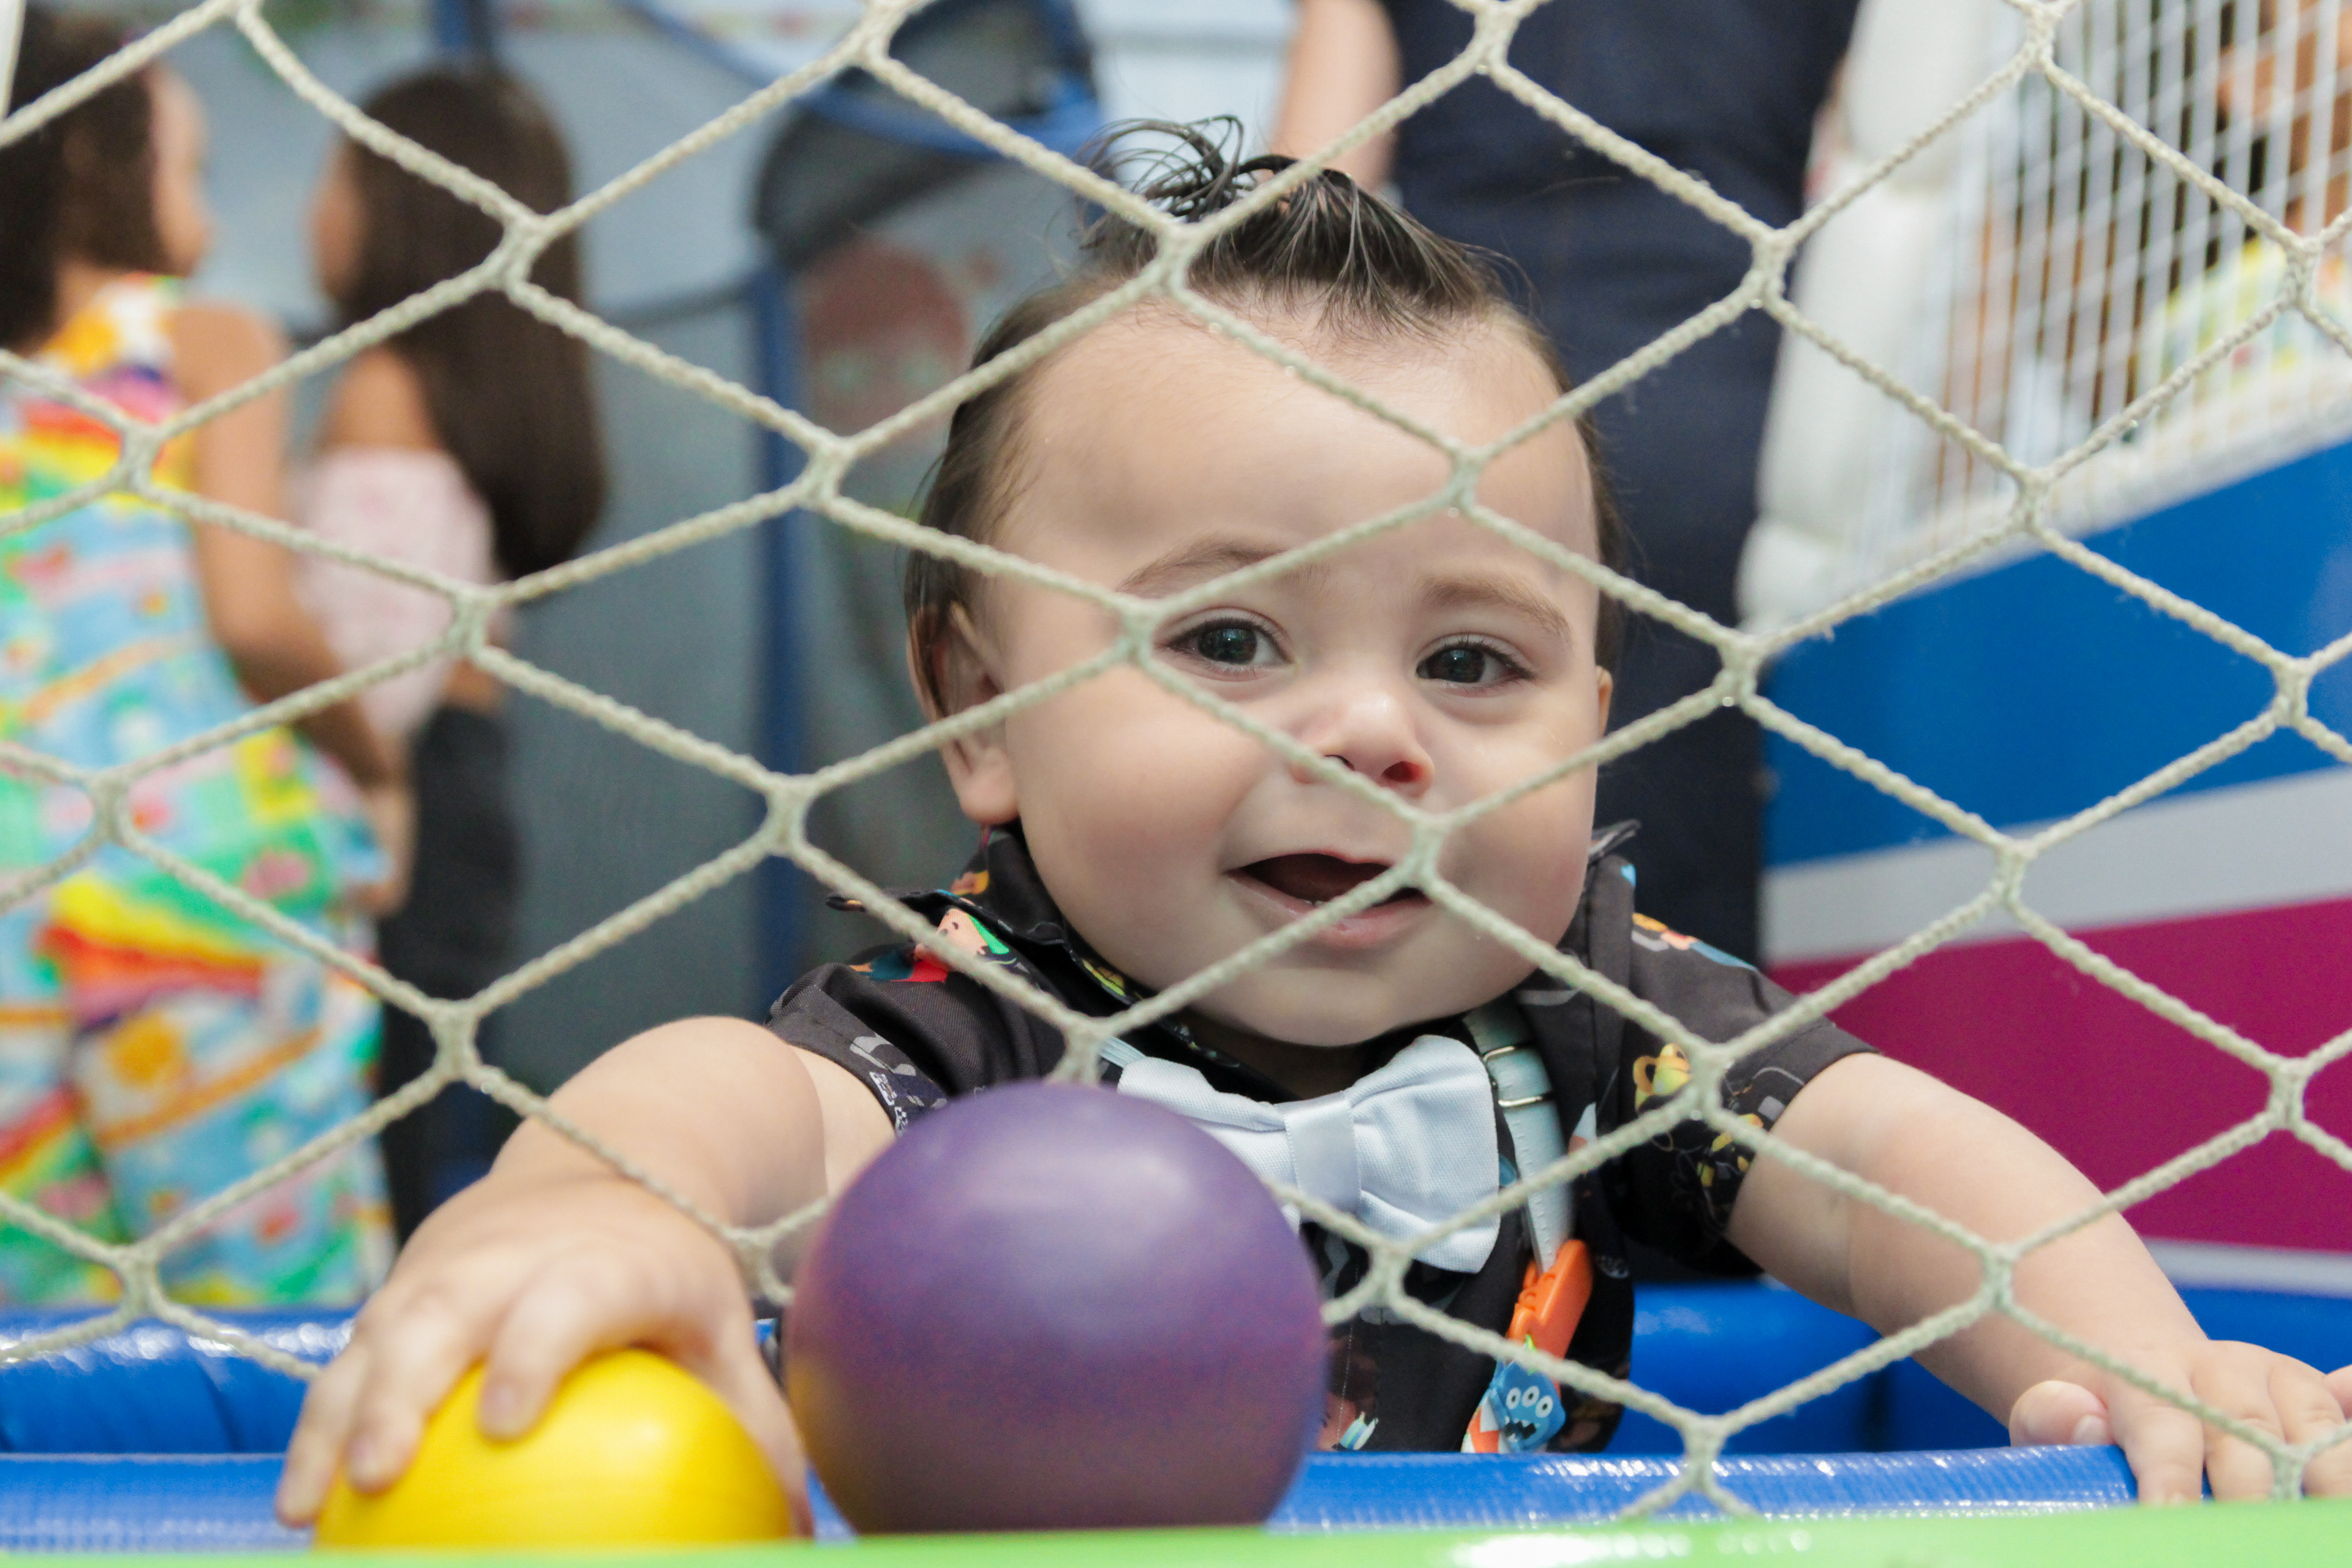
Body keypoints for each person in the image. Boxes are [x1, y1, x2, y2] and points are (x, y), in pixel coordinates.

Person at [274, 130, 2351, 1522]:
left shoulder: (1597, 1025)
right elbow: (729, 1102)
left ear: (1598, 731)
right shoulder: (965, 1024)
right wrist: (591, 1212)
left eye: (1474, 667)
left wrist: (2136, 1357)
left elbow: (1897, 1157)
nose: (1370, 733)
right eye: (1236, 637)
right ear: (983, 710)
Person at [1273, 0, 1863, 965]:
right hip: (1716, 399)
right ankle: (1676, 1076)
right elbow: (1902, 184)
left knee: (1458, 756)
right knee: (1685, 810)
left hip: (1462, 402)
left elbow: (1307, 196)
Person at [0, 7, 405, 1303]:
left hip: (17, 899)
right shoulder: (203, 338)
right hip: (193, 881)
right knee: (276, 1304)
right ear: (88, 165)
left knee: (55, 1342)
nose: (215, 220)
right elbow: (253, 614)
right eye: (191, 170)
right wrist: (374, 753)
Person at [299, 64, 605, 1243]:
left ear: (403, 205)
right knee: (406, 1131)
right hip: (457, 784)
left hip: (398, 791)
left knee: (364, 1142)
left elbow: (377, 669)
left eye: (339, 176)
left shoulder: (386, 387)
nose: (315, 209)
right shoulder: (459, 390)